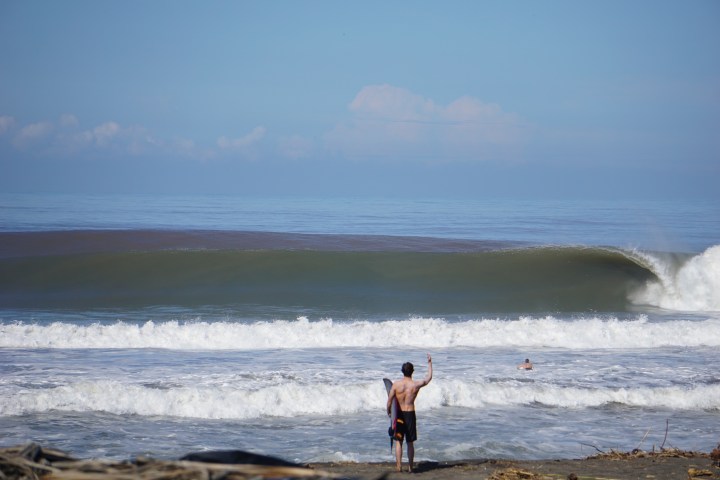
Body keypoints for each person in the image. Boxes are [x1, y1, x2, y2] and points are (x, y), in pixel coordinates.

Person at [386, 353, 432, 473]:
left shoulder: (396, 385)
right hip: (410, 414)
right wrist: (430, 363)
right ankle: (411, 468)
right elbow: (428, 379)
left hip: (399, 415)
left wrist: (389, 413)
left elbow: (389, 401)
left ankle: (399, 467)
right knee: (410, 443)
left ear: (402, 371)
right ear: (412, 372)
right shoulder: (415, 385)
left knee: (398, 442)